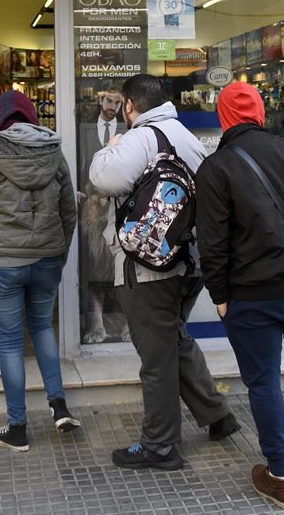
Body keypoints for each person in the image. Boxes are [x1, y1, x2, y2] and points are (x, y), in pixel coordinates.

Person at [196, 81, 284, 510]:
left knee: (264, 384)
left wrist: (219, 294)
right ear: (260, 112)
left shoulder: (216, 168)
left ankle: (280, 476)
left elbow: (212, 242)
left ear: (224, 118)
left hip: (250, 294)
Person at [88, 74, 239, 471]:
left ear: (130, 106)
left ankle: (160, 447)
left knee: (156, 358)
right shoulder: (185, 136)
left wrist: (108, 148)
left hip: (149, 268)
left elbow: (102, 178)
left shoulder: (139, 137)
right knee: (175, 339)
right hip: (188, 262)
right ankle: (217, 415)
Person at [0, 90, 81, 452]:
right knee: (43, 327)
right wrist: (58, 256)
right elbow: (69, 213)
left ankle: (17, 427)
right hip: (46, 259)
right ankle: (58, 406)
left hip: (1, 262)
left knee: (11, 342)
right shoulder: (54, 152)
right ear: (30, 116)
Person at [77, 86, 127, 343]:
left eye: (117, 104)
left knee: (120, 267)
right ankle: (96, 326)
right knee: (94, 269)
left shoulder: (128, 133)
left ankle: (126, 323)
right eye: (108, 101)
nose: (112, 107)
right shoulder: (82, 127)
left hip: (118, 207)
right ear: (100, 99)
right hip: (90, 207)